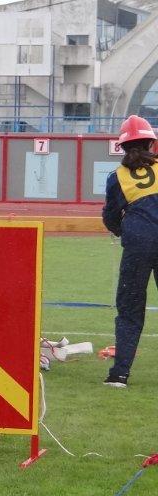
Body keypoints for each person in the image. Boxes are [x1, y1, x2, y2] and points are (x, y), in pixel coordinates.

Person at [101, 114, 158, 388]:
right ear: (151, 143)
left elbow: (110, 217)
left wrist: (123, 230)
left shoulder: (117, 177)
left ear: (122, 147)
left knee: (130, 310)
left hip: (137, 243)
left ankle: (119, 375)